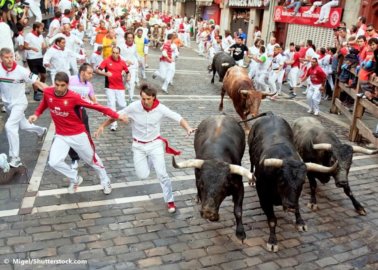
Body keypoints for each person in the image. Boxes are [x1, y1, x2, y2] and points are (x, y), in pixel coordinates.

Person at [94, 83, 196, 213]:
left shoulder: (161, 108)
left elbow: (178, 117)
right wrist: (103, 126)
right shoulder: (134, 107)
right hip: (138, 146)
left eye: (148, 99)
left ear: (154, 97)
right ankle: (150, 162)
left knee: (162, 174)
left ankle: (170, 201)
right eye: (143, 99)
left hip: (155, 145)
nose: (145, 102)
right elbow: (116, 114)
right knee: (142, 175)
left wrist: (187, 128)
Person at [28, 72, 128, 194]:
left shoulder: (74, 97)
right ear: (54, 83)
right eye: (57, 85)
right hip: (61, 135)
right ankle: (75, 178)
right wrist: (36, 114)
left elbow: (98, 107)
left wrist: (117, 115)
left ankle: (105, 180)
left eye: (62, 85)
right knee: (53, 162)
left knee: (92, 161)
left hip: (78, 135)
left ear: (67, 85)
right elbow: (45, 103)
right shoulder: (48, 92)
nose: (59, 88)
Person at [0, 48, 48, 167]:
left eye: (11, 56)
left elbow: (37, 82)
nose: (10, 59)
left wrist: (54, 91)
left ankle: (15, 158)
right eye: (7, 57)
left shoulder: (22, 71)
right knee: (23, 125)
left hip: (20, 103)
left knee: (10, 126)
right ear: (1, 58)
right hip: (8, 104)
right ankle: (41, 131)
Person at [67, 63, 97, 169]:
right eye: (89, 73)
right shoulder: (70, 80)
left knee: (86, 136)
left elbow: (94, 100)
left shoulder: (89, 85)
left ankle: (89, 158)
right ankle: (74, 158)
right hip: (69, 113)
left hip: (81, 113)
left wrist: (101, 109)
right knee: (70, 137)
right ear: (82, 72)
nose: (91, 75)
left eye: (92, 73)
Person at [96, 46, 130, 131]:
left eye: (117, 53)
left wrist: (128, 77)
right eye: (113, 52)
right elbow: (98, 70)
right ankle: (113, 124)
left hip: (120, 86)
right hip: (109, 87)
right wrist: (105, 74)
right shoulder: (107, 60)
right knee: (112, 105)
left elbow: (127, 72)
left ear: (119, 53)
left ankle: (125, 111)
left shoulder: (122, 62)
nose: (115, 55)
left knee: (122, 104)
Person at [24, 22, 47, 101]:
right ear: (36, 28)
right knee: (35, 76)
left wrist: (45, 47)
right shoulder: (29, 35)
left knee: (44, 75)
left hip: (40, 57)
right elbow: (25, 46)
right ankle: (35, 92)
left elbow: (43, 45)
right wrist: (32, 48)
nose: (42, 30)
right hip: (31, 58)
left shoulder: (40, 36)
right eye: (41, 28)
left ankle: (40, 87)